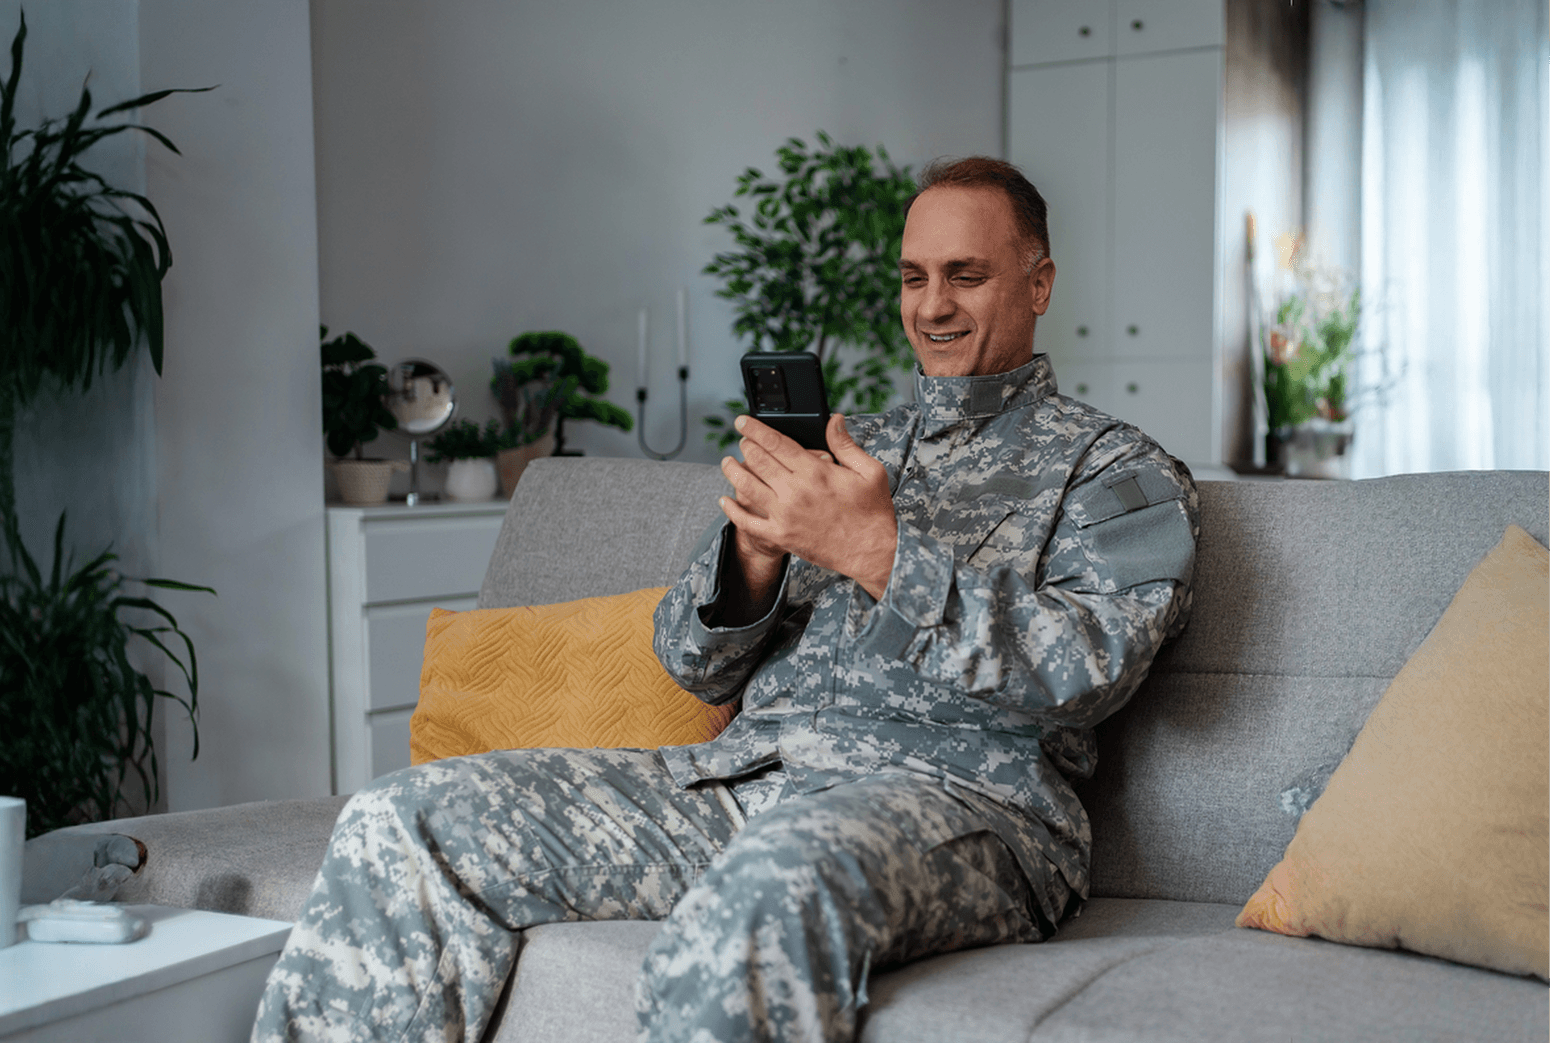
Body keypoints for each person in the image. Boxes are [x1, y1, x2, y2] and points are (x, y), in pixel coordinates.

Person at [251, 156, 1198, 1043]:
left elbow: (1087, 673)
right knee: (405, 815)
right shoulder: (836, 447)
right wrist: (753, 549)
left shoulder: (1116, 471)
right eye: (912, 277)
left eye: (965, 274)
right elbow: (687, 659)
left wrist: (878, 551)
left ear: (1038, 283)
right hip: (739, 788)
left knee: (772, 882)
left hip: (966, 809)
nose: (932, 304)